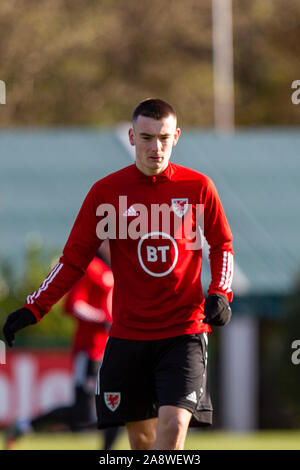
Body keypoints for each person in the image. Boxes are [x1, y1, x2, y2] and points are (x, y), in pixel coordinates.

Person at [2, 98, 234, 450]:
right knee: (142, 441)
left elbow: (223, 245)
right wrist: (34, 307)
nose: (156, 147)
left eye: (164, 137)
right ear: (131, 136)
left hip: (184, 332)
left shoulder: (198, 188)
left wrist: (219, 292)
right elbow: (73, 260)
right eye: (146, 137)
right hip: (129, 336)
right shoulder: (106, 193)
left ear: (176, 137)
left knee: (172, 431)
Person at [4, 250, 119, 450]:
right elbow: (74, 305)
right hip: (90, 350)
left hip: (112, 349)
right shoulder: (90, 267)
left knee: (117, 406)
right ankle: (24, 425)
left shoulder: (115, 266)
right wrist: (102, 319)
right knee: (82, 411)